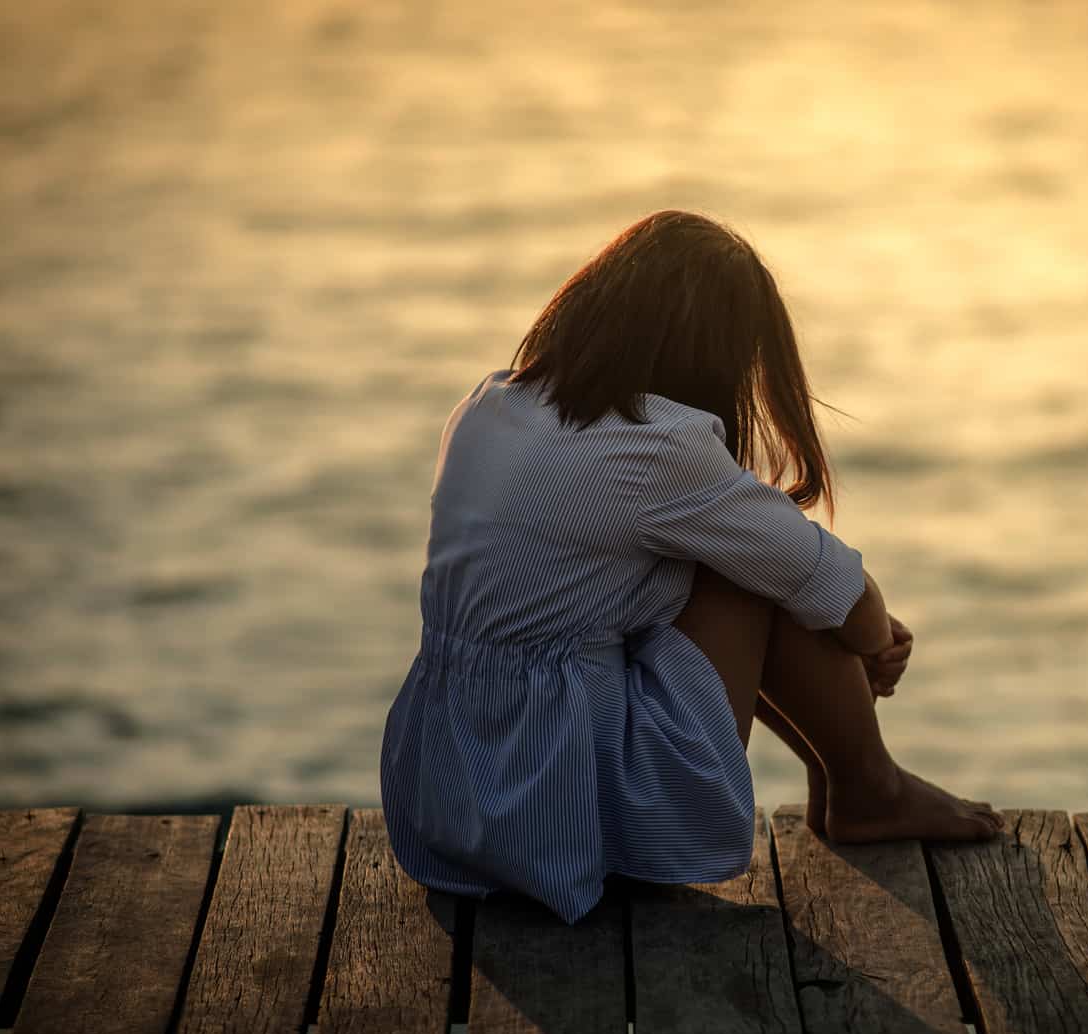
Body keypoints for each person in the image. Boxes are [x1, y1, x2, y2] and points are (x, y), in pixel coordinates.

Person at [380, 210, 1001, 924]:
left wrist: (846, 616)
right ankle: (869, 787)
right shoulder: (656, 448)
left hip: (449, 800)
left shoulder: (488, 404)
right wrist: (872, 640)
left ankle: (860, 784)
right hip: (562, 819)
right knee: (746, 569)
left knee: (728, 555)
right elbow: (834, 586)